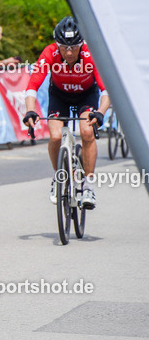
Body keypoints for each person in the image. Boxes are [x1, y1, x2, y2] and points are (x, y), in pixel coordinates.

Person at [22, 16, 109, 209]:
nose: (69, 52)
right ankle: (58, 177)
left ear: (81, 45)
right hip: (60, 95)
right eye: (63, 47)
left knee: (87, 132)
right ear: (57, 44)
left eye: (74, 47)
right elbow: (32, 85)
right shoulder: (50, 53)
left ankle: (88, 185)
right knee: (54, 136)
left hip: (86, 95)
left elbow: (106, 90)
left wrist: (101, 112)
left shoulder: (91, 54)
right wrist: (30, 111)